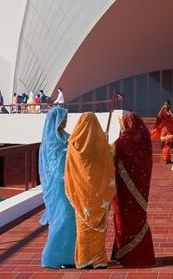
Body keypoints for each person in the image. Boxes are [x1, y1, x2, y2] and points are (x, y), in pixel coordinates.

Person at [63, 112, 115, 268]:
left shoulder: (74, 145)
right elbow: (109, 164)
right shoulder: (102, 145)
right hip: (99, 195)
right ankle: (99, 260)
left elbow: (69, 169)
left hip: (82, 195)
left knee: (83, 226)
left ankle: (85, 259)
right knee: (99, 227)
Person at [111, 112, 155, 267]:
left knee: (124, 218)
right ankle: (142, 253)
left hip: (123, 190)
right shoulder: (144, 140)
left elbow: (111, 158)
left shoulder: (121, 143)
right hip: (141, 188)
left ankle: (127, 254)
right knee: (138, 217)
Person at [37, 107, 76, 269]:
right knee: (62, 217)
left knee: (70, 220)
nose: (65, 122)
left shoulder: (66, 136)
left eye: (66, 118)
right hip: (57, 186)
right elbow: (52, 164)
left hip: (69, 183)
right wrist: (67, 152)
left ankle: (67, 257)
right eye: (63, 119)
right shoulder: (50, 140)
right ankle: (50, 257)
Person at [151, 100, 173, 165]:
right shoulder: (162, 111)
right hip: (164, 131)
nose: (167, 105)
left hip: (170, 131)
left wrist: (170, 113)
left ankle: (168, 158)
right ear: (163, 105)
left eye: (168, 104)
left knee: (169, 145)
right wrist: (162, 108)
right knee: (165, 145)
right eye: (165, 104)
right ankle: (166, 159)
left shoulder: (169, 112)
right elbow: (158, 117)